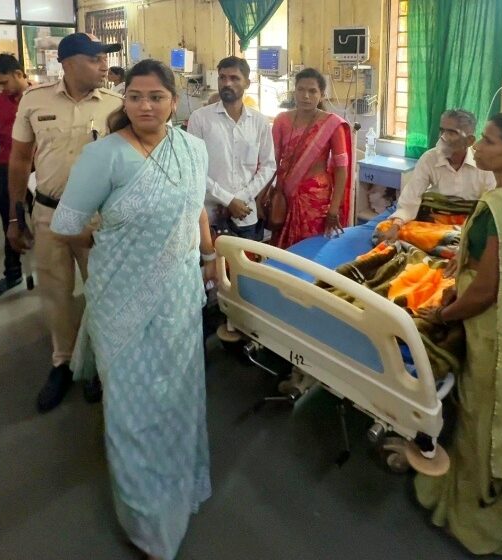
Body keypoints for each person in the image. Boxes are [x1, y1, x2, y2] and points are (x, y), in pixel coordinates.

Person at [50, 58, 213, 560]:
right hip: (122, 298)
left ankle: (179, 484)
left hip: (179, 296)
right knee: (132, 411)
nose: (146, 106)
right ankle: (147, 523)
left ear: (174, 102)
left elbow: (197, 210)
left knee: (178, 396)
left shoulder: (193, 149)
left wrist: (210, 259)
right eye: (136, 96)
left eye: (156, 97)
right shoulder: (104, 156)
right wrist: (114, 241)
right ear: (124, 100)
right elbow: (67, 224)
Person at [416, 113, 502, 555]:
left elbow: (485, 291)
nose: (478, 145)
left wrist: (445, 315)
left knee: (483, 416)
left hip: (492, 330)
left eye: (490, 141)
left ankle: (479, 506)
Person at [7, 33, 123, 412]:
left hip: (97, 218)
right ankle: (63, 362)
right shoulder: (34, 100)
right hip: (49, 214)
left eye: (104, 59)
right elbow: (20, 160)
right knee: (56, 293)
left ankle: (97, 361)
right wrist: (15, 216)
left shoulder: (115, 105)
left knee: (101, 292)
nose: (104, 65)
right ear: (69, 63)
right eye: (95, 59)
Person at [187, 56, 275, 241]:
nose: (227, 83)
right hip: (209, 216)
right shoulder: (200, 118)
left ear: (247, 83)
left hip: (245, 214)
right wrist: (228, 200)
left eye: (234, 78)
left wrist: (241, 198)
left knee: (245, 260)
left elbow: (268, 165)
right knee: (211, 260)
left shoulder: (259, 122)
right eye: (222, 77)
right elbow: (194, 168)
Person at [384, 109, 496, 243]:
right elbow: (411, 197)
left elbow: (491, 206)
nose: (443, 137)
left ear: (469, 141)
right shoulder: (429, 158)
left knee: (466, 242)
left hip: (466, 224)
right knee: (383, 229)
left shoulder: (483, 164)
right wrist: (396, 225)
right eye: (441, 131)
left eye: (451, 133)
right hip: (433, 222)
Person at [271, 67, 353, 249]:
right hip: (284, 196)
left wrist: (334, 209)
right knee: (282, 250)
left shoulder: (332, 124)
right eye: (301, 89)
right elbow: (272, 162)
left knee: (312, 249)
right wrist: (267, 195)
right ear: (294, 92)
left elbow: (341, 169)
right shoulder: (281, 120)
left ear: (322, 95)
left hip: (316, 199)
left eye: (312, 91)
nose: (305, 96)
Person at [0, 54, 32, 301]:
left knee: (47, 220)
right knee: (11, 223)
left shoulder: (39, 98)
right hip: (6, 165)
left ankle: (53, 270)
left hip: (38, 168)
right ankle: (12, 274)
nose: (1, 88)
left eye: (3, 82)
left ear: (18, 74)